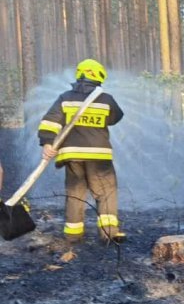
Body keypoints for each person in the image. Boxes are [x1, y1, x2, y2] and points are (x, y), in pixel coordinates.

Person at [37, 59, 125, 243]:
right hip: (98, 156)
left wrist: (47, 143)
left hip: (72, 155)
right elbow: (116, 117)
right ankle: (109, 233)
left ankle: (73, 235)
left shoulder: (65, 98)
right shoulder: (106, 99)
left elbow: (50, 122)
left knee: (75, 193)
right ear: (100, 75)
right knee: (105, 192)